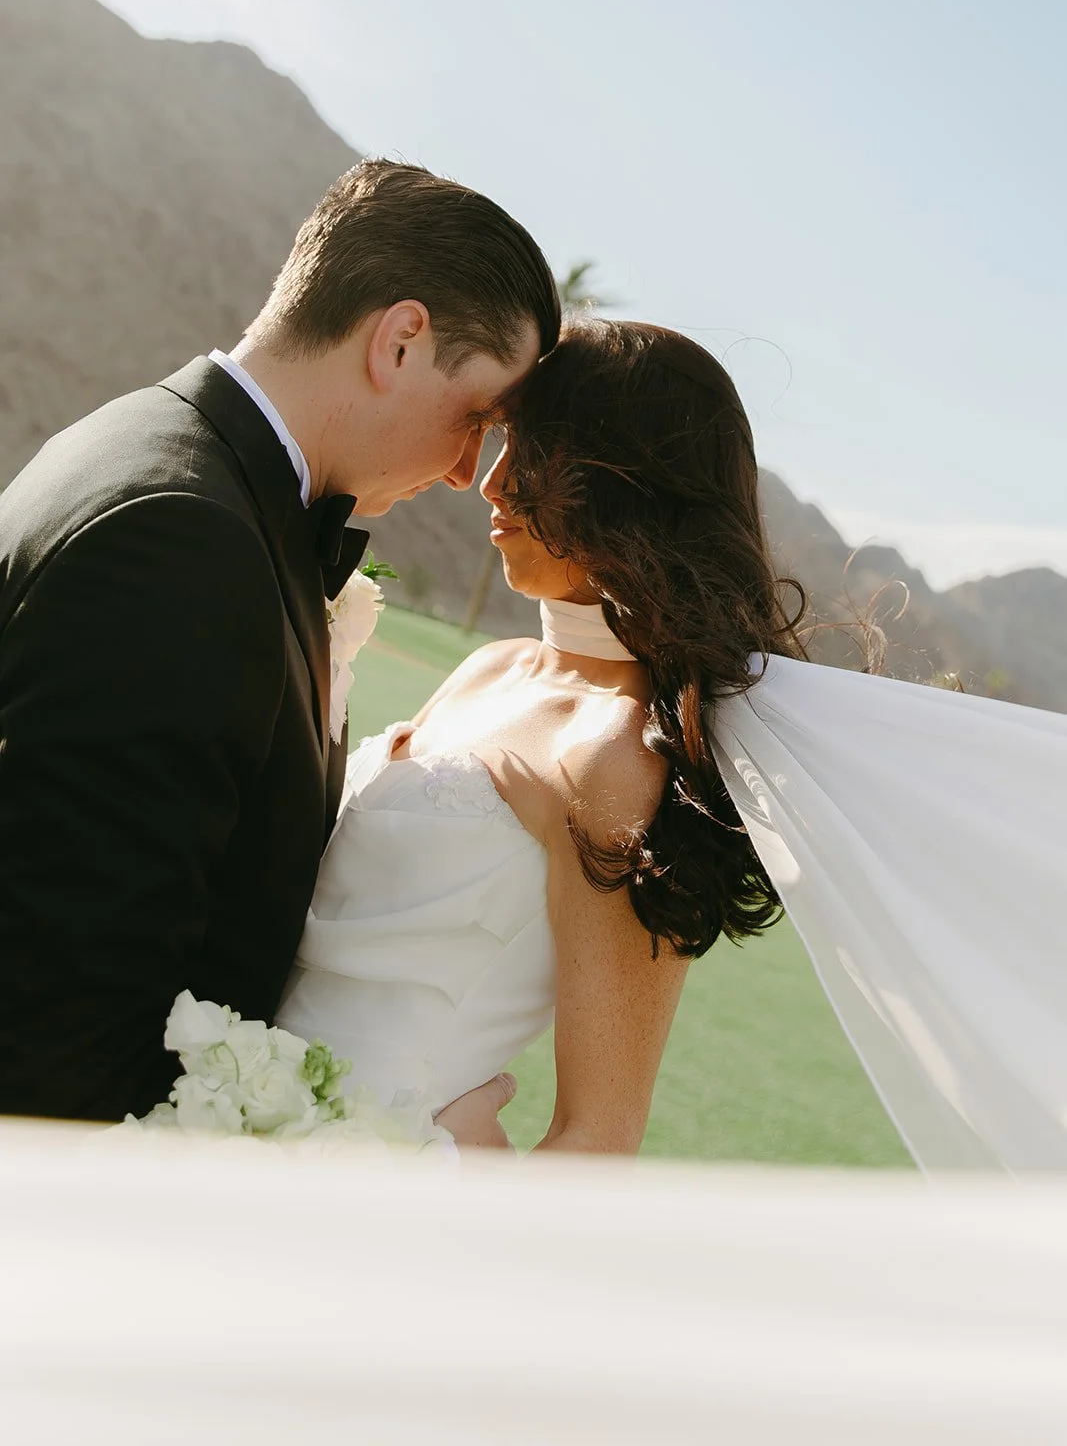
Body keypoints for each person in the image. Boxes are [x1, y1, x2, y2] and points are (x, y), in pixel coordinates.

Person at [279, 319, 1067, 1168]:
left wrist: (442, 1168)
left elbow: (598, 1138)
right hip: (230, 1110)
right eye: (503, 444)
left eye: (535, 454)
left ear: (624, 486)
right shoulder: (487, 668)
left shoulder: (617, 761)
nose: (494, 484)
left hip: (360, 1187)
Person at [0, 158, 560, 1131]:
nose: (471, 472)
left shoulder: (162, 459)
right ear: (399, 341)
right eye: (476, 418)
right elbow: (62, 1023)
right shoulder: (181, 536)